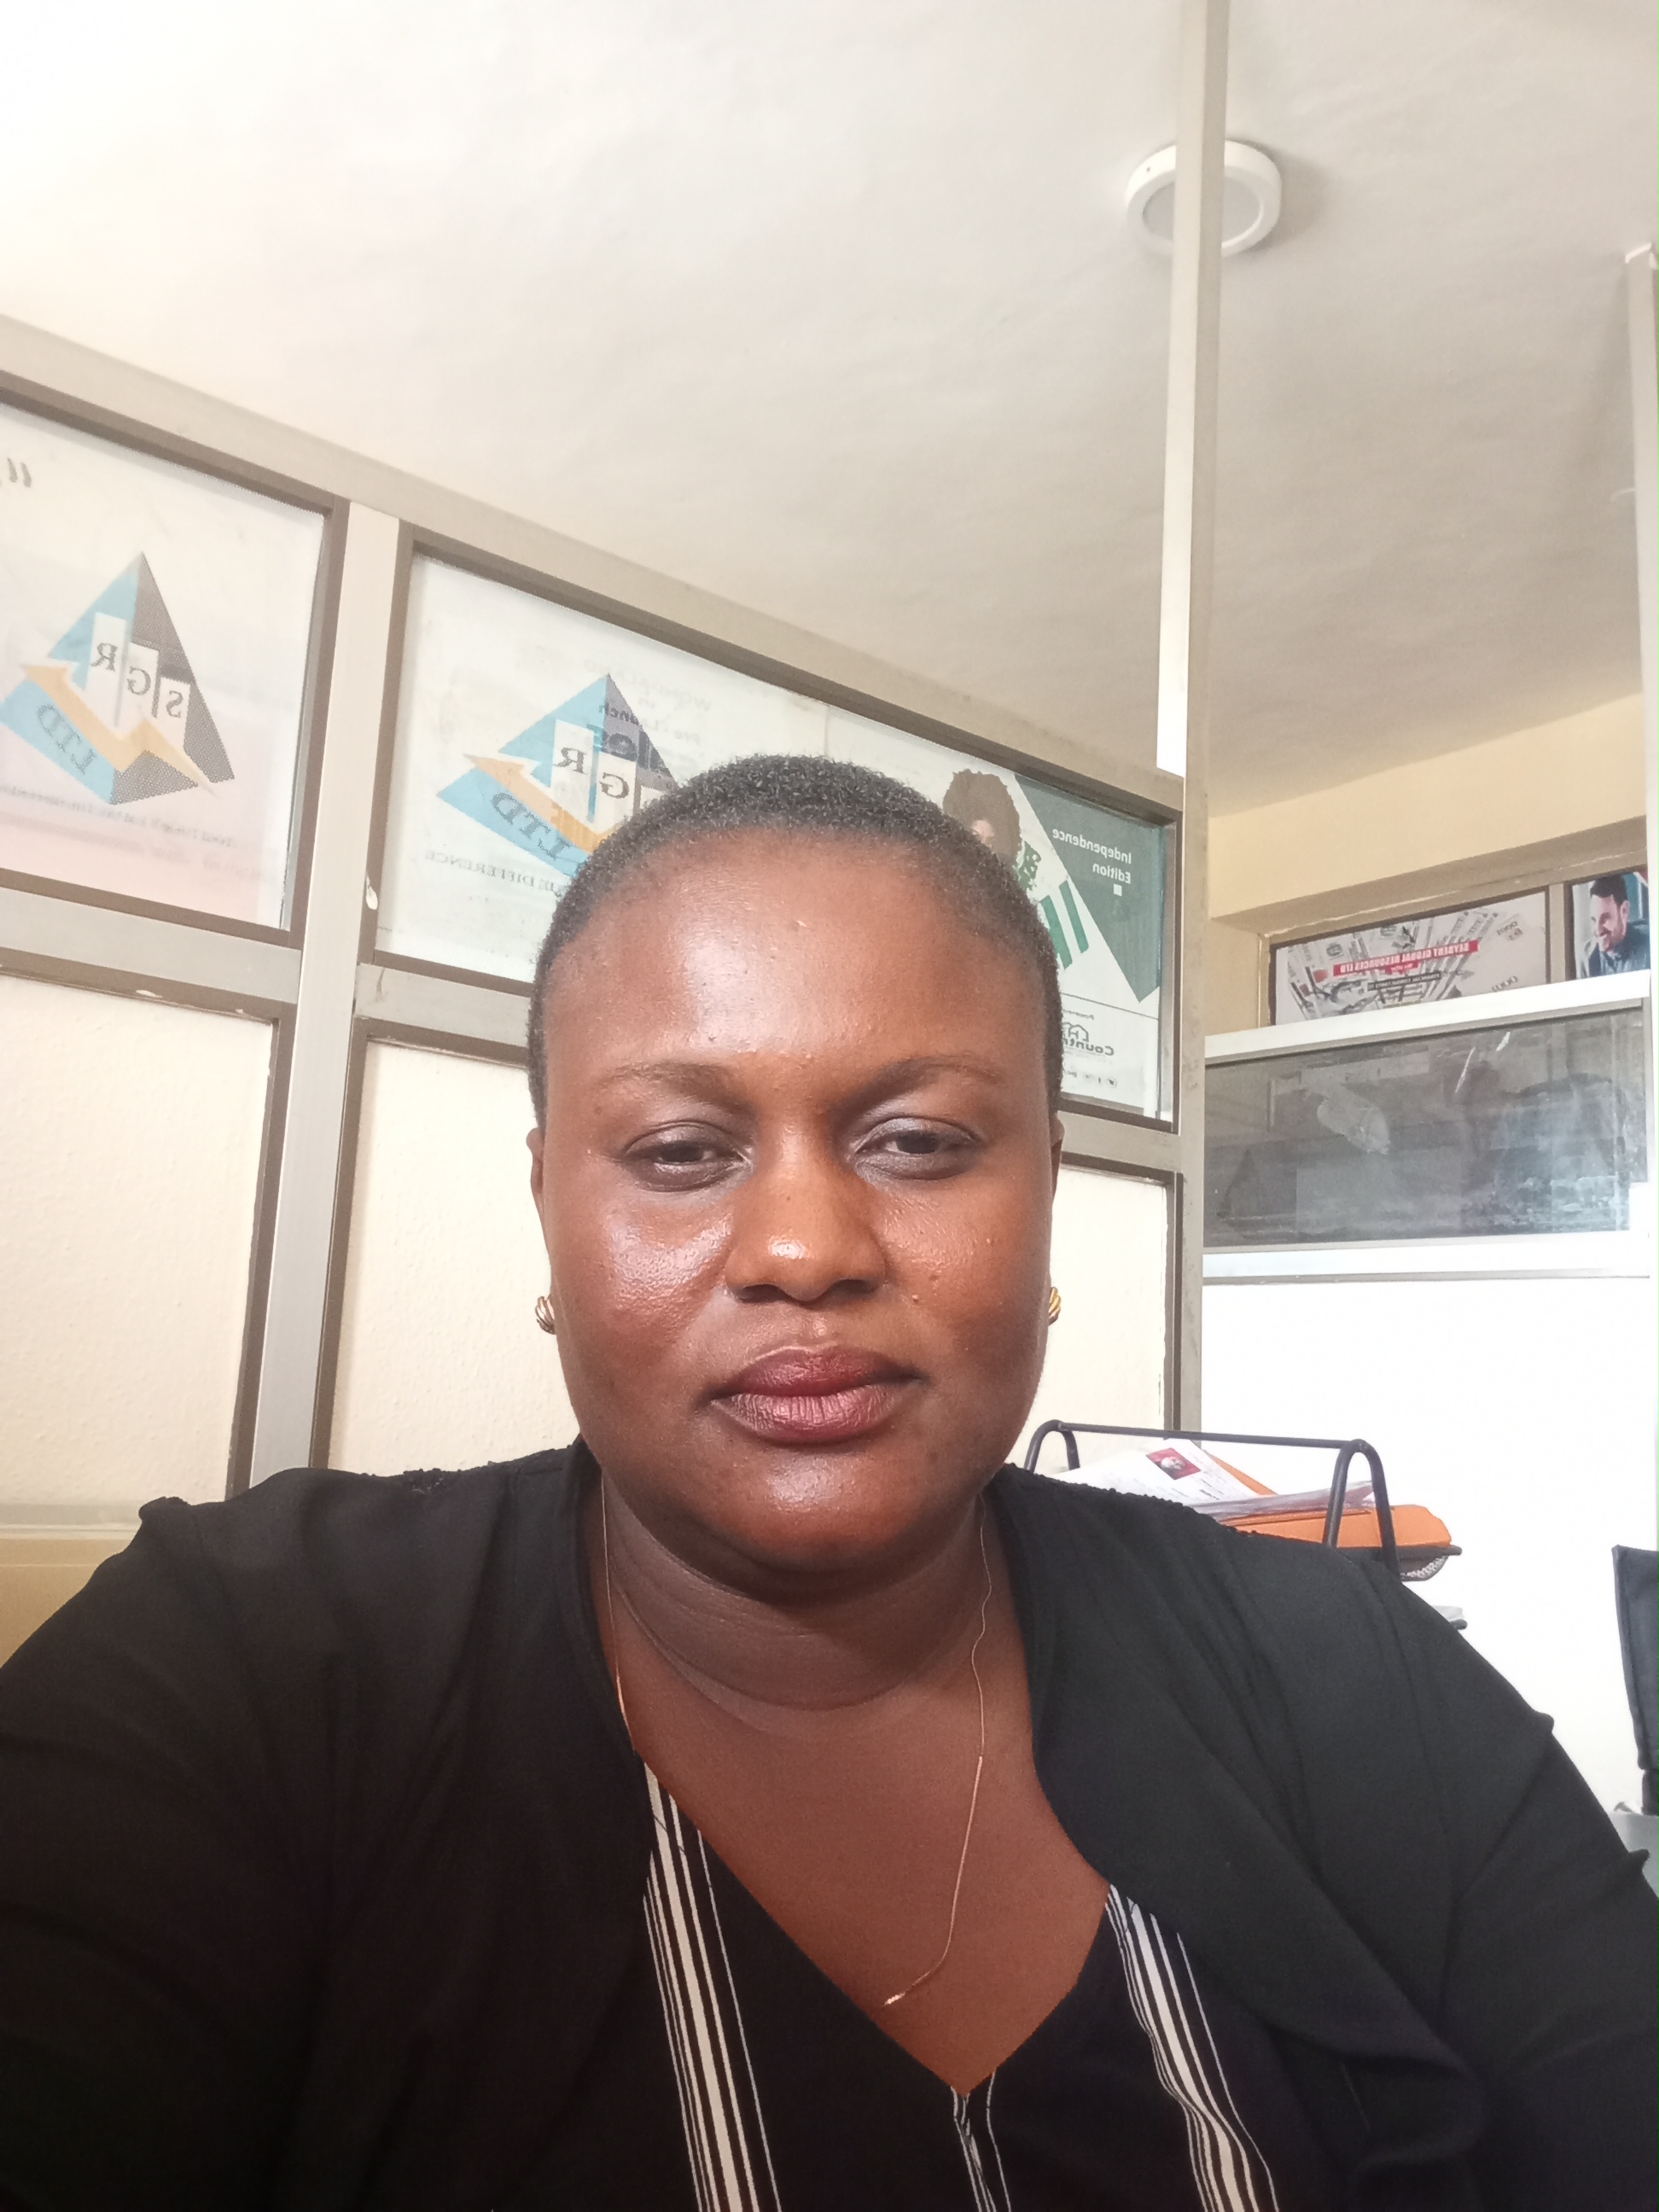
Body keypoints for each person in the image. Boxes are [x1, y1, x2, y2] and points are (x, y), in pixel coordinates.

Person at [2, 754, 1657, 2212]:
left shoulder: (1345, 1675)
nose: (802, 1248)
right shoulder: (247, 1677)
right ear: (550, 1205)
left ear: (1046, 1184)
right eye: (680, 1151)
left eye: (917, 1140)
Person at [1585, 872, 1650, 976]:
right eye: (1594, 920)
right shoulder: (1588, 956)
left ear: (1624, 910)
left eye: (1605, 919)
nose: (1598, 930)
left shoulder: (1651, 948)